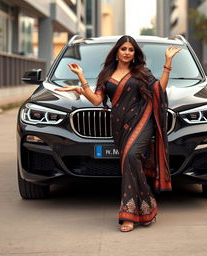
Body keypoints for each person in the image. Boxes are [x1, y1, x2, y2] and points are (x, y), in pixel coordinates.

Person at [55, 35, 181, 232]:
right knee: (131, 164)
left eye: (131, 50)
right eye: (124, 49)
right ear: (117, 52)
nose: (127, 53)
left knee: (131, 157)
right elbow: (97, 100)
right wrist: (80, 80)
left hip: (141, 121)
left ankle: (128, 215)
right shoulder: (106, 75)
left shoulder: (141, 73)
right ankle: (147, 207)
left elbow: (159, 90)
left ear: (134, 53)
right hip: (119, 126)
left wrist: (168, 63)